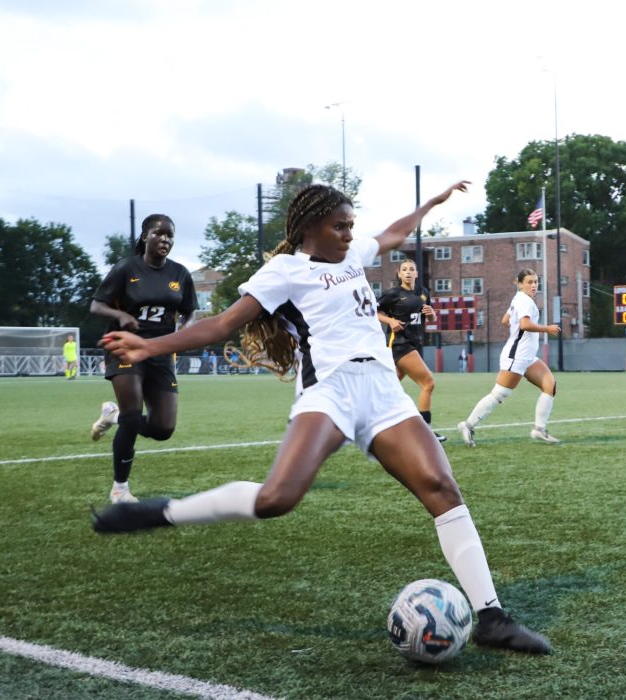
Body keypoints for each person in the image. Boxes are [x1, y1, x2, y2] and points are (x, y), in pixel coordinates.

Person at [91, 181, 551, 655]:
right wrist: (148, 346)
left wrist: (430, 204)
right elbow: (221, 324)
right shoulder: (284, 271)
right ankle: (162, 512)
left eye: (351, 225)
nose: (350, 234)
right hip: (330, 391)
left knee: (442, 488)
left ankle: (491, 618)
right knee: (277, 498)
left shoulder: (353, 256)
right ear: (310, 227)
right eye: (340, 226)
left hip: (383, 390)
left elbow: (394, 233)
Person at [88, 214, 198, 504]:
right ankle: (120, 489)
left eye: (170, 235)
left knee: (164, 428)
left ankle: (113, 416)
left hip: (160, 351)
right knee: (133, 416)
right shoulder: (126, 268)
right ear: (145, 236)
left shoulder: (180, 274)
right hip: (125, 347)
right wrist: (120, 315)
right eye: (159, 233)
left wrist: (184, 332)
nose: (165, 239)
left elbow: (190, 312)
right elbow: (96, 305)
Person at [457, 269, 562, 446]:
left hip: (527, 356)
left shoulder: (518, 298)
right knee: (499, 394)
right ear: (520, 284)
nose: (534, 285)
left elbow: (505, 321)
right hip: (517, 356)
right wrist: (547, 329)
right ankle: (467, 426)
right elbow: (524, 324)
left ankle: (539, 429)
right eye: (529, 282)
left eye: (536, 282)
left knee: (549, 385)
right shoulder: (525, 301)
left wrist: (517, 331)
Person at [377, 258, 445, 442]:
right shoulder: (392, 294)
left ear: (416, 273)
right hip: (400, 344)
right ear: (399, 274)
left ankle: (376, 425)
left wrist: (432, 315)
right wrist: (390, 320)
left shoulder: (423, 292)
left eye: (411, 269)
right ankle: (426, 432)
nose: (408, 272)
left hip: (414, 343)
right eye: (404, 269)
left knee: (389, 389)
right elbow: (372, 311)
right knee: (428, 383)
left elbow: (429, 318)